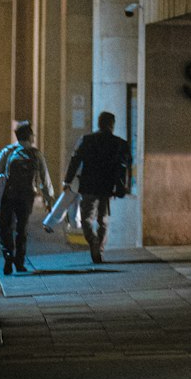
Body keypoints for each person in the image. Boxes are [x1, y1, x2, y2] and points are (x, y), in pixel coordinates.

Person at [62, 111, 130, 264]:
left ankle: (92, 241)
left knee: (86, 218)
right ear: (112, 125)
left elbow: (75, 160)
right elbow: (124, 166)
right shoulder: (119, 143)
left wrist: (67, 181)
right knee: (103, 218)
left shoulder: (86, 140)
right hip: (106, 186)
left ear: (98, 123)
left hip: (88, 186)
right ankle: (99, 247)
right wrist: (121, 186)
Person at [0, 121, 55, 275]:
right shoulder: (36, 154)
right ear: (30, 136)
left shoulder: (8, 152)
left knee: (5, 227)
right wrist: (48, 199)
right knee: (21, 229)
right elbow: (45, 179)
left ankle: (8, 258)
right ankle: (20, 262)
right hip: (27, 196)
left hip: (9, 195)